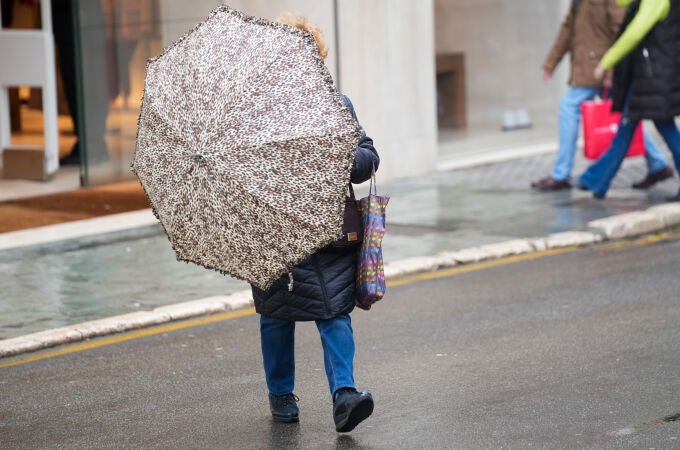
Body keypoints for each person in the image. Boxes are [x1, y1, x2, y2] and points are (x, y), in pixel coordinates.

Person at [250, 13, 379, 433]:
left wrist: (341, 156)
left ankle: (345, 396)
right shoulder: (258, 114)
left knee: (334, 311)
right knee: (275, 315)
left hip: (329, 232)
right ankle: (281, 393)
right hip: (277, 233)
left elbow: (368, 156)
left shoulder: (336, 106)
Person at [531, 0, 672, 191]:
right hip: (595, 66)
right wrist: (550, 63)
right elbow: (568, 29)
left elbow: (624, 29)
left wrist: (611, 67)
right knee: (628, 119)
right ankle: (656, 164)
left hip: (601, 66)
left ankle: (566, 174)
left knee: (570, 107)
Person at [578, 0, 680, 199]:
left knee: (639, 131)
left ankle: (595, 180)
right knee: (636, 131)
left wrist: (607, 61)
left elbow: (635, 32)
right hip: (646, 78)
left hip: (654, 79)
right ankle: (596, 180)